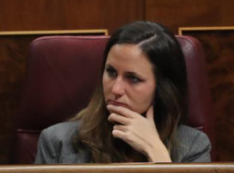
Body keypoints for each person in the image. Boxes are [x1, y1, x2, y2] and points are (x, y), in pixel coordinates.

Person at [35, 21, 211, 164]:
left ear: (163, 88)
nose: (116, 89)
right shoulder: (57, 142)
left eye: (133, 78)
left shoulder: (193, 147)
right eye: (111, 72)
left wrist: (155, 151)